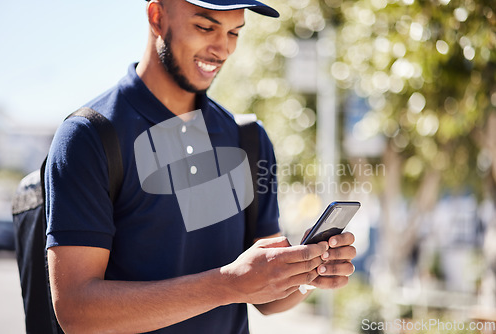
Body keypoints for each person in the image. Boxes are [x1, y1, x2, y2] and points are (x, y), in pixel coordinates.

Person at [44, 0, 357, 333]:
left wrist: (308, 272)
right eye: (205, 27)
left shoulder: (247, 140)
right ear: (157, 17)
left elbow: (266, 297)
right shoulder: (90, 135)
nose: (222, 49)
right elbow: (76, 311)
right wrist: (227, 285)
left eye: (234, 32)